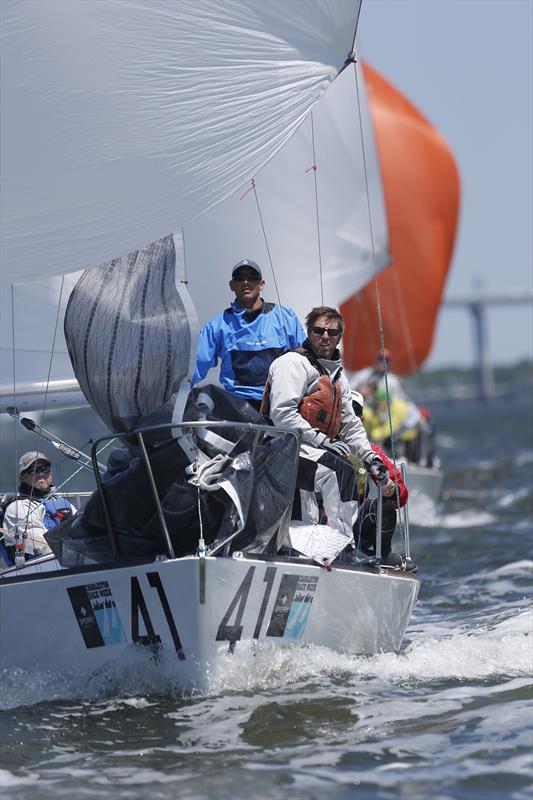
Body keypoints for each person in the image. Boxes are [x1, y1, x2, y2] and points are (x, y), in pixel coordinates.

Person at [262, 306, 389, 556]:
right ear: (309, 332)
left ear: (339, 336)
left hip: (309, 451)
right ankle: (343, 547)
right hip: (282, 447)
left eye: (332, 332)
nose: (325, 336)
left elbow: (350, 424)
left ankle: (320, 554)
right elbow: (281, 413)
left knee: (311, 511)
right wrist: (321, 440)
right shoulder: (293, 363)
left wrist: (371, 458)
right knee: (338, 470)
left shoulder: (338, 376)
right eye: (319, 330)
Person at [192, 259, 305, 411]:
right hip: (238, 409)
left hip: (282, 405)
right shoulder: (217, 326)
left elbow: (307, 360)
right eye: (239, 277)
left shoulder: (286, 317)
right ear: (232, 285)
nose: (246, 282)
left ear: (261, 284)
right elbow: (194, 368)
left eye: (252, 277)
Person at [351, 390, 409, 565]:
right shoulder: (315, 444)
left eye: (353, 412)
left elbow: (401, 493)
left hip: (357, 525)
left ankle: (383, 555)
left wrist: (393, 489)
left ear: (360, 419)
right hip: (320, 522)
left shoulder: (370, 452)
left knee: (384, 506)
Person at [1, 452, 76, 563]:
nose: (41, 474)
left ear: (51, 473)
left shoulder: (64, 503)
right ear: (23, 477)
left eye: (44, 469)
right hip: (39, 570)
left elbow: (82, 528)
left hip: (73, 561)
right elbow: (40, 545)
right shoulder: (17, 508)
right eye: (34, 471)